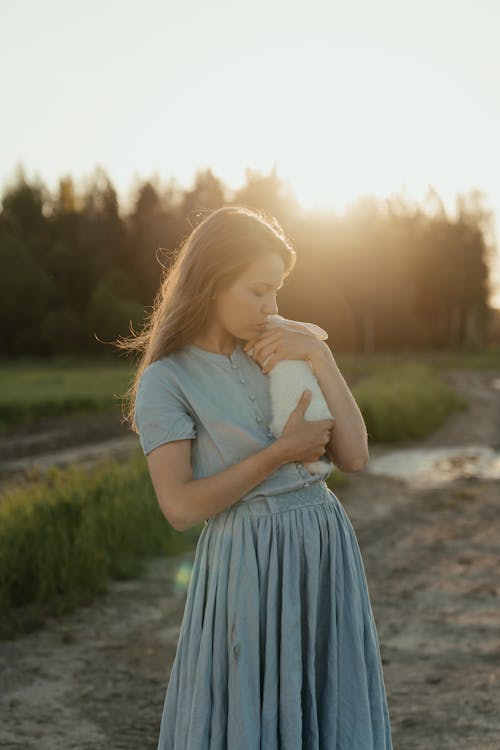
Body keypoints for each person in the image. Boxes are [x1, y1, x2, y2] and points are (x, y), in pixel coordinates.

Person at [119, 205, 393, 748]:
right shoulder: (166, 380)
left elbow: (355, 455)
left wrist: (319, 355)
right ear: (213, 283)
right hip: (248, 556)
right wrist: (281, 453)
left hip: (323, 543)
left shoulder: (278, 347)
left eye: (278, 292)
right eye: (258, 291)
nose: (272, 308)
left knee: (326, 704)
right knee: (254, 713)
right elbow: (180, 507)